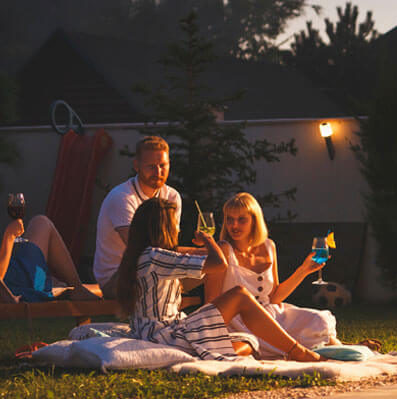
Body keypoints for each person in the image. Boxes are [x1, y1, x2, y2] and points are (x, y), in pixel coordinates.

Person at [115, 197, 324, 361]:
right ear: (161, 227)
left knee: (249, 341)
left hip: (169, 328)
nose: (178, 229)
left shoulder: (145, 255)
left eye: (241, 219)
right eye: (173, 224)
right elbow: (219, 264)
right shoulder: (155, 256)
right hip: (163, 334)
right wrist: (208, 239)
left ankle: (204, 352)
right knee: (240, 295)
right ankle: (298, 352)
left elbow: (185, 256)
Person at [204, 192, 338, 358]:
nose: (234, 225)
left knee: (319, 320)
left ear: (255, 220)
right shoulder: (223, 250)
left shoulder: (269, 246)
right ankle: (319, 350)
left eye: (241, 219)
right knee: (277, 343)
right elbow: (211, 303)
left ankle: (341, 348)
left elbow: (274, 297)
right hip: (240, 322)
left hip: (272, 313)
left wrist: (303, 270)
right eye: (229, 219)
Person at [94, 135, 181, 298]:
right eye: (151, 167)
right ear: (136, 166)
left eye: (163, 165)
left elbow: (170, 245)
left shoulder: (172, 196)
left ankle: (216, 319)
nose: (158, 172)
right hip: (117, 277)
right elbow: (140, 249)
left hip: (153, 267)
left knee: (216, 264)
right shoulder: (122, 197)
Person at [0, 215, 100, 303]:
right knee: (42, 223)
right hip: (16, 283)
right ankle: (78, 288)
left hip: (12, 271)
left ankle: (81, 287)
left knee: (40, 222)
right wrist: (9, 236)